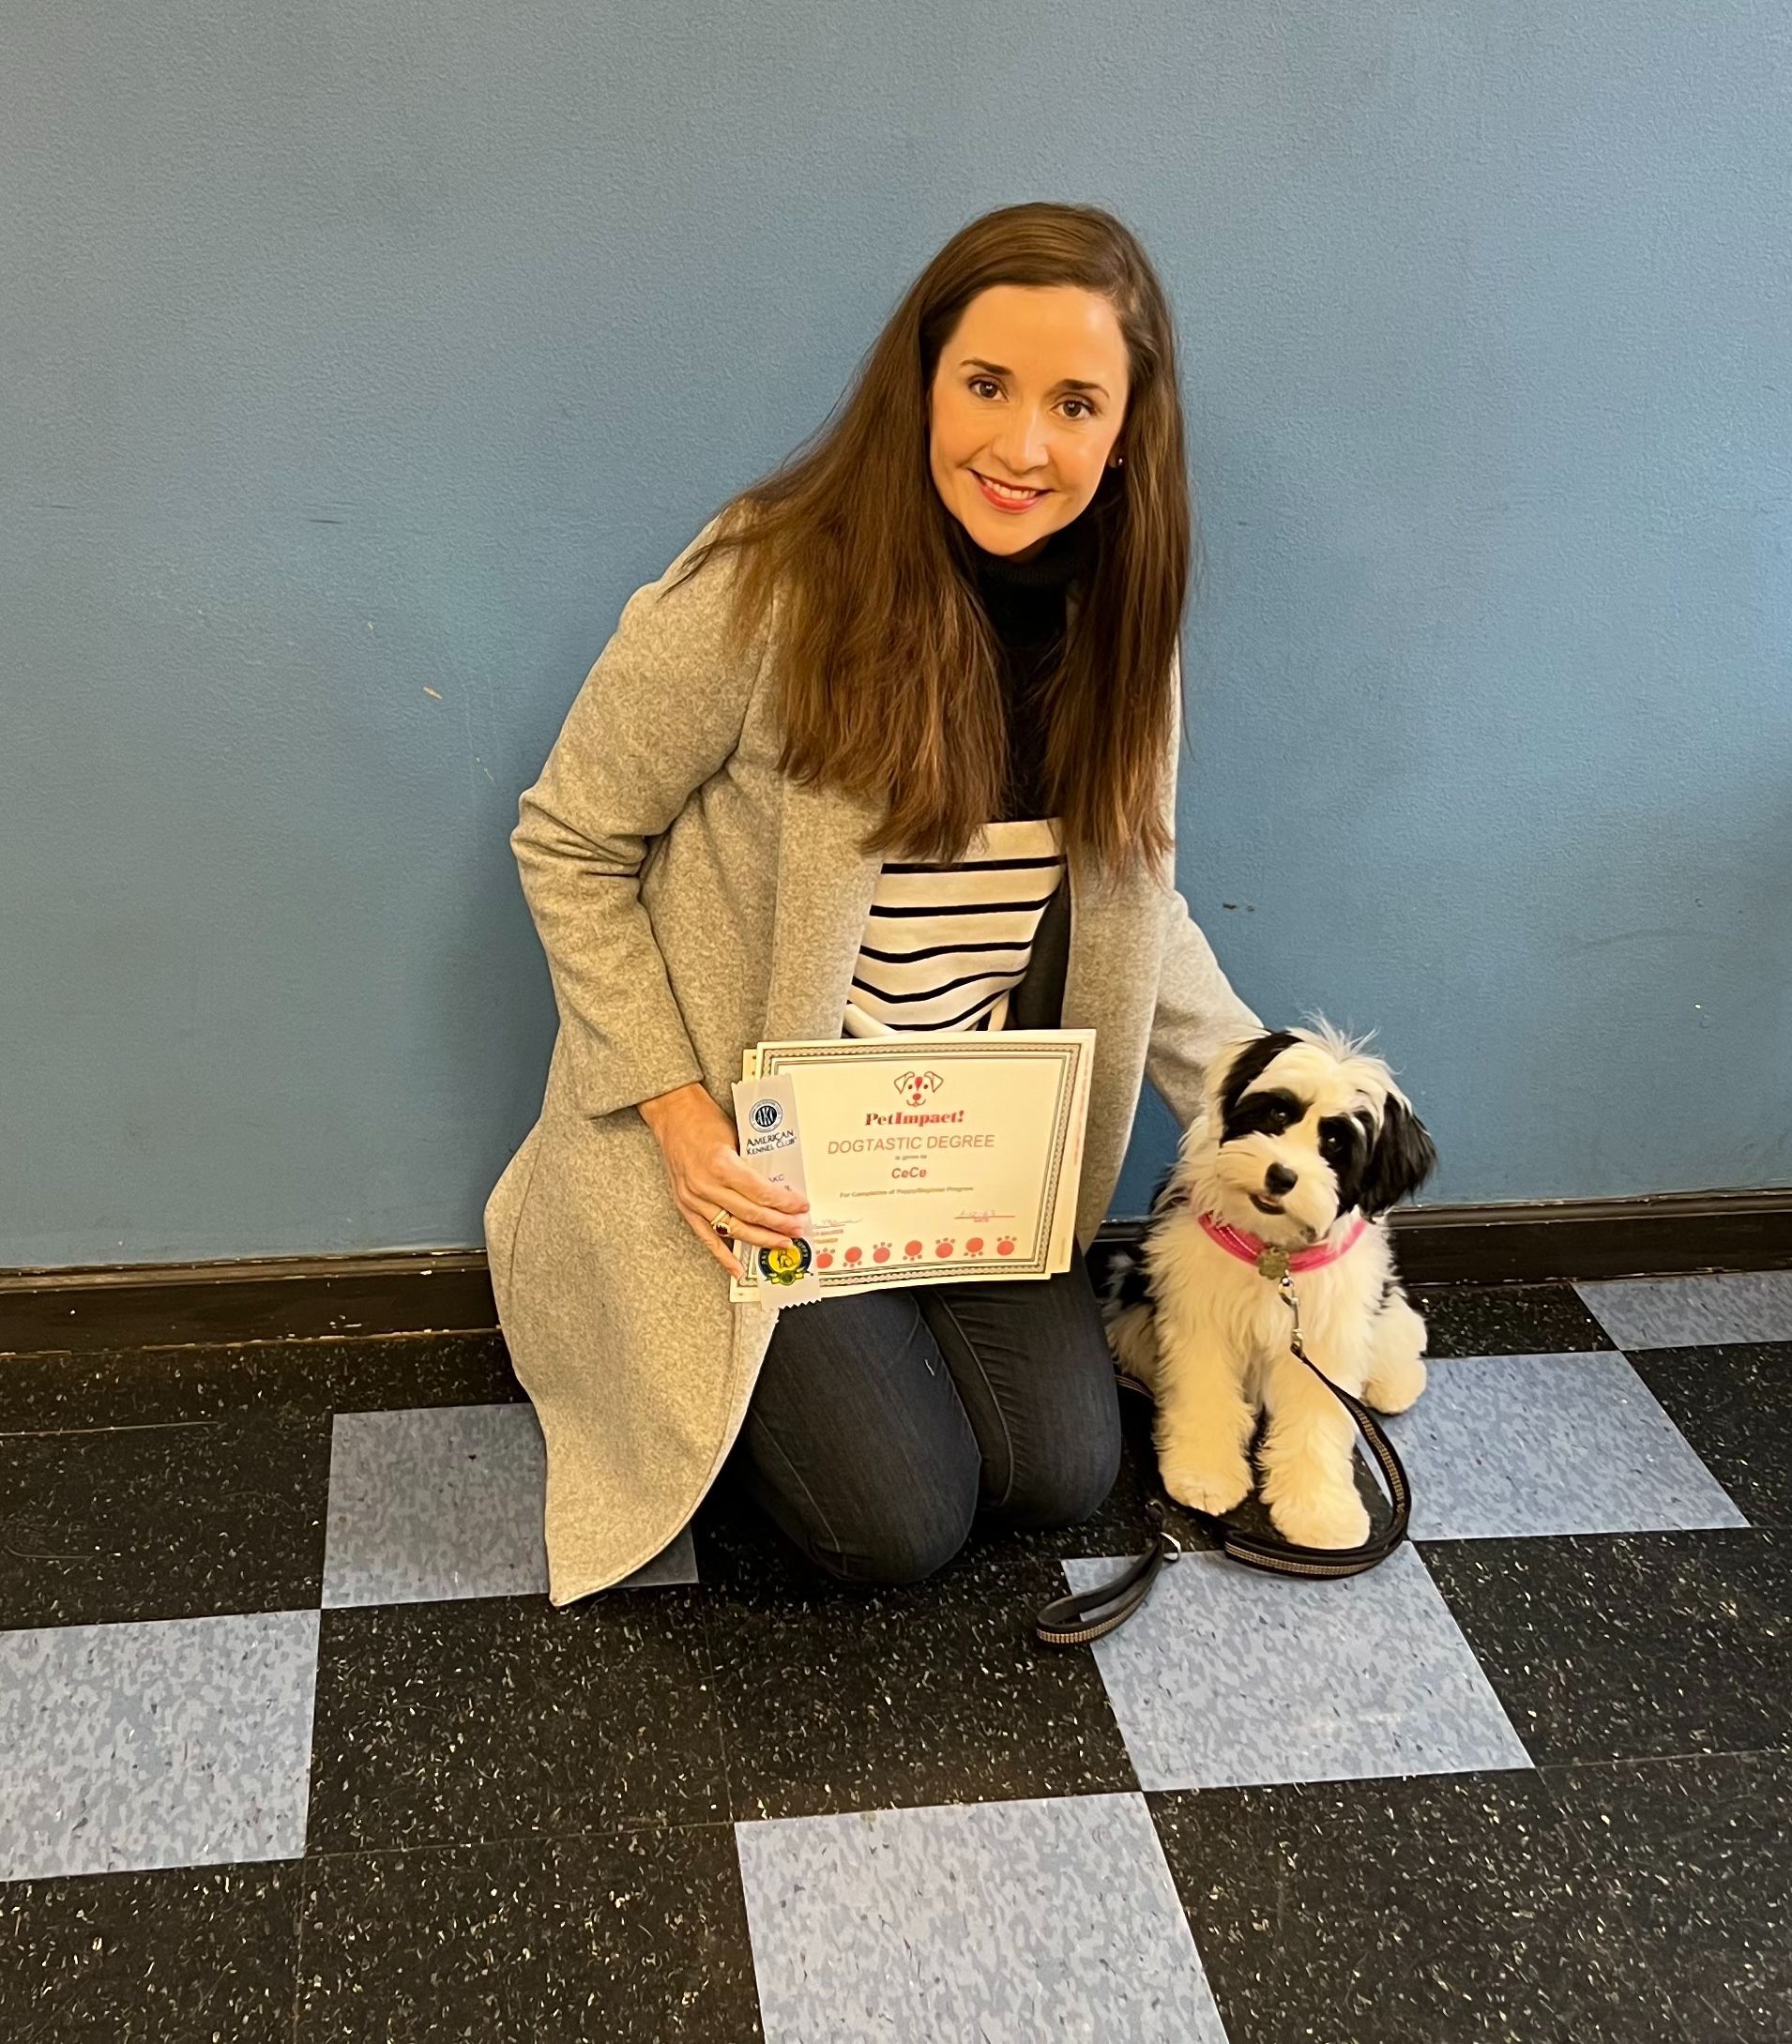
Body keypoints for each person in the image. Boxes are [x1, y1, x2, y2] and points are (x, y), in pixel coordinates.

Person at [484, 201, 1262, 1607]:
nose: (1023, 446)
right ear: (921, 382)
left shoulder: (1115, 629)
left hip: (959, 1154)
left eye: (1075, 403)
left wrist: (1264, 1099)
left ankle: (860, 1343)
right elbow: (570, 845)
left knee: (1061, 1473)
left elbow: (1142, 894)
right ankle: (690, 1335)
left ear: (1128, 428)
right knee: (898, 1523)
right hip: (747, 1150)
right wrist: (673, 1113)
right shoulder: (762, 586)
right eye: (985, 386)